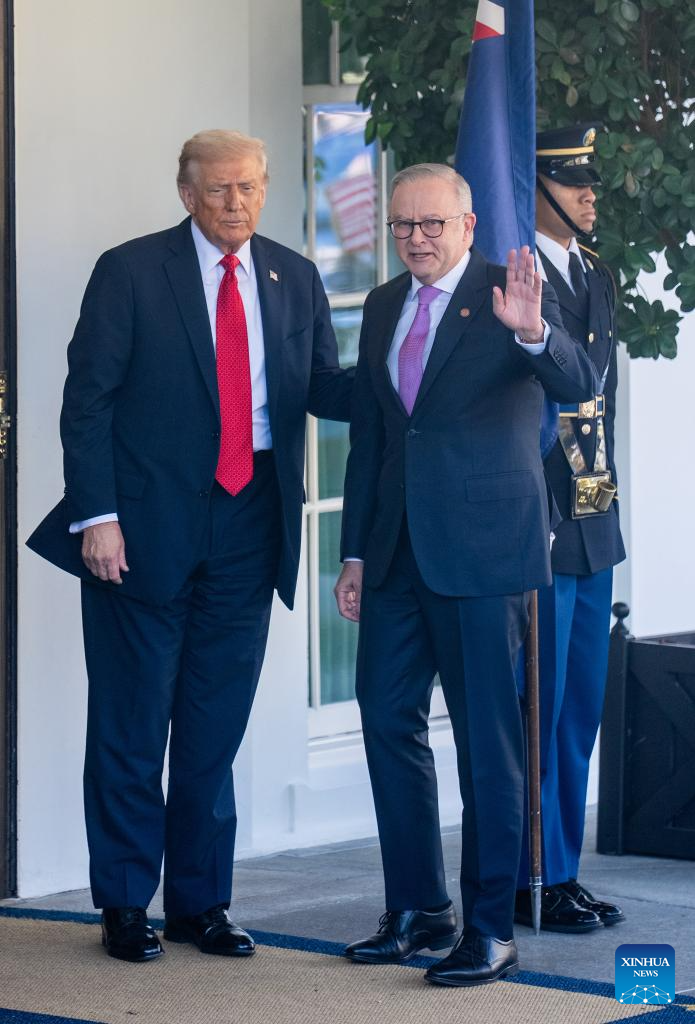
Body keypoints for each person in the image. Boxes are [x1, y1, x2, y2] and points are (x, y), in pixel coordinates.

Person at [28, 129, 353, 963]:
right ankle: (126, 906)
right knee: (133, 728)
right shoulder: (130, 272)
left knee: (213, 728)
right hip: (140, 534)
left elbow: (322, 385)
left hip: (251, 527)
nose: (235, 203)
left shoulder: (295, 276)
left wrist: (416, 362)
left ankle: (200, 905)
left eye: (248, 187)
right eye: (217, 190)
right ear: (185, 194)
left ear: (266, 188)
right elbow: (87, 402)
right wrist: (95, 515)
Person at [333, 163, 599, 987]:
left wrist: (530, 332)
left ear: (468, 224)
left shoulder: (510, 290)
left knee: (488, 745)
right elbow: (377, 439)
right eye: (403, 226)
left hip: (485, 554)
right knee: (386, 721)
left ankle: (488, 928)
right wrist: (353, 552)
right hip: (395, 555)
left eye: (431, 226)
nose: (415, 239)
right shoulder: (382, 303)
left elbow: (578, 383)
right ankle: (417, 908)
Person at [514, 125, 626, 933]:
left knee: (578, 706)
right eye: (573, 181)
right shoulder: (513, 283)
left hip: (591, 517)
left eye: (588, 180)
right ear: (537, 190)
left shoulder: (593, 272)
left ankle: (563, 870)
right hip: (538, 522)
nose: (589, 193)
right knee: (536, 707)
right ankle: (531, 876)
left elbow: (601, 405)